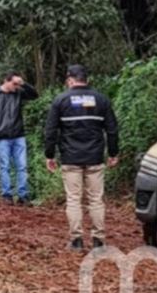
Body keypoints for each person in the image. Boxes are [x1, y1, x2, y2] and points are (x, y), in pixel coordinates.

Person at [44, 64, 118, 251]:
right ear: (87, 80)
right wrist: (113, 153)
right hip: (95, 158)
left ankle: (76, 240)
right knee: (96, 199)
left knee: (74, 199)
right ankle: (98, 240)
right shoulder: (101, 100)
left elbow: (51, 131)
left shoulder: (61, 100)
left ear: (70, 80)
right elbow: (112, 129)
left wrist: (50, 155)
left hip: (71, 158)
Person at [0, 70, 39, 203]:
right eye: (14, 83)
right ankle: (7, 195)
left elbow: (34, 95)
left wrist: (24, 84)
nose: (16, 86)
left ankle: (23, 195)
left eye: (18, 84)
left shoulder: (18, 92)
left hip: (18, 134)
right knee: (4, 166)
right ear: (6, 80)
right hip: (2, 136)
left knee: (22, 166)